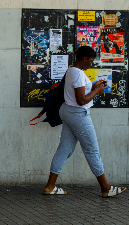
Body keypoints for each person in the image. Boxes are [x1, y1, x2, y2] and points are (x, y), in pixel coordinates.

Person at [43, 46, 126, 197]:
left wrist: (93, 86)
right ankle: (105, 187)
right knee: (92, 150)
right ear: (84, 59)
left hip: (67, 111)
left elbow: (77, 93)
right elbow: (81, 100)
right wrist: (97, 91)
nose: (91, 64)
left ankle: (50, 186)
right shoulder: (78, 74)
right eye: (91, 61)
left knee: (64, 149)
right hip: (78, 114)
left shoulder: (71, 70)